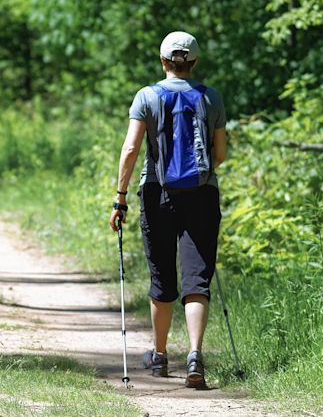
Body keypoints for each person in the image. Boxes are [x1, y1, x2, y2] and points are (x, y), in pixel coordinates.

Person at [109, 31, 227, 388]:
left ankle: (159, 357)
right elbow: (219, 155)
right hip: (202, 194)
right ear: (194, 63)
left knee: (162, 276)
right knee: (197, 279)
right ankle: (194, 356)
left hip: (156, 193)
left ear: (163, 62)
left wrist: (120, 196)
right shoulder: (211, 97)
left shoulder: (147, 96)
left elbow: (131, 149)